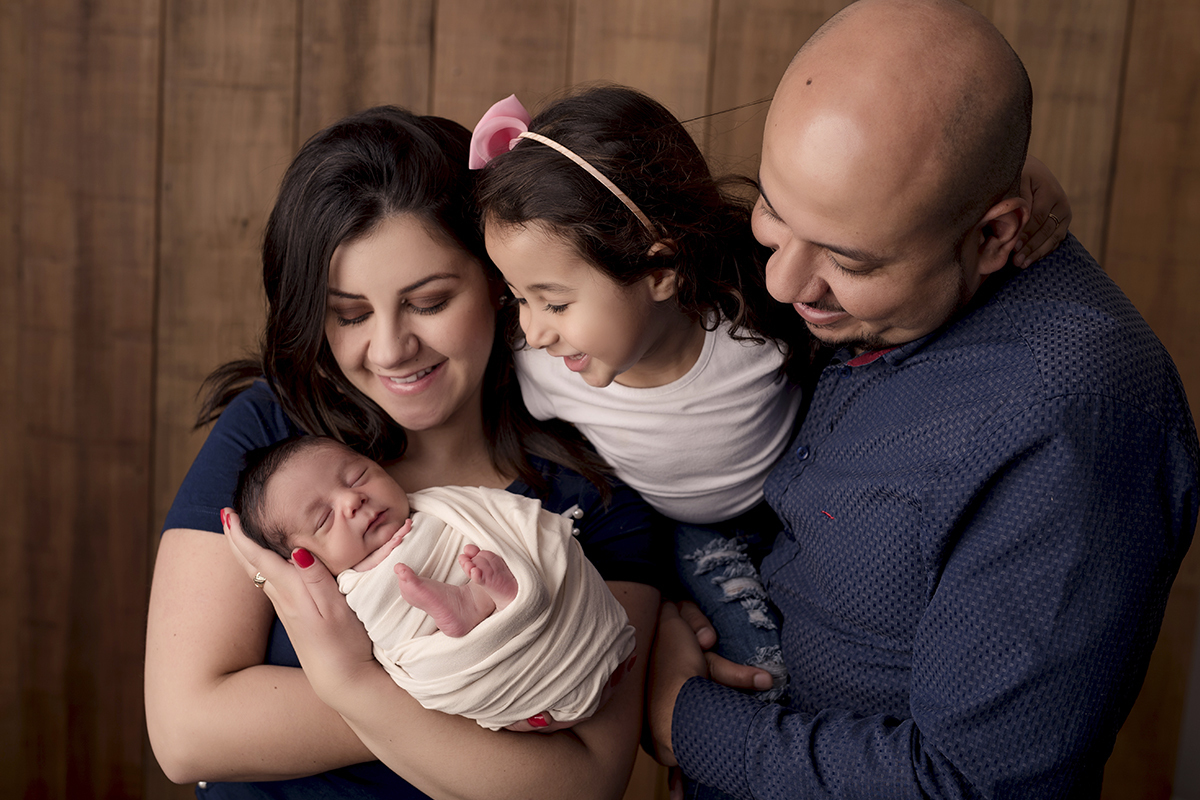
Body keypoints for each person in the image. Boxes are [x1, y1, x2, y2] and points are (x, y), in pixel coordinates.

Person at [646, 1, 1200, 799]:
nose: (782, 281)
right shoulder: (890, 249)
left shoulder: (1070, 420)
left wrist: (681, 717)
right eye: (777, 210)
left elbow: (973, 787)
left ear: (994, 235)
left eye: (849, 259)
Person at [468, 85, 1072, 705]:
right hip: (682, 534)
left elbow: (887, 207)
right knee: (760, 672)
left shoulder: (754, 311)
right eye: (519, 297)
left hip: (803, 502)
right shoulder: (536, 367)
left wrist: (1024, 174)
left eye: (556, 302)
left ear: (659, 272)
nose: (534, 330)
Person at [144, 104, 663, 800]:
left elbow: (580, 785)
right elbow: (186, 734)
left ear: (499, 283)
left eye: (428, 301)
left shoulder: (593, 498)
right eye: (350, 314)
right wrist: (503, 693)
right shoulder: (274, 438)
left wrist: (352, 681)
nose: (389, 349)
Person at [232, 434, 636, 731]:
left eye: (357, 477)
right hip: (472, 661)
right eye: (323, 519)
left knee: (510, 556)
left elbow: (516, 521)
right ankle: (480, 605)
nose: (351, 500)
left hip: (561, 625)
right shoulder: (350, 588)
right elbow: (393, 652)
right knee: (431, 669)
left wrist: (525, 545)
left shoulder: (441, 506)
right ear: (305, 561)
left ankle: (489, 599)